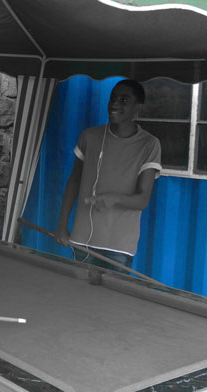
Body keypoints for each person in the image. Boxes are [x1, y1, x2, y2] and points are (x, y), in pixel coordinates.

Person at [54, 79, 161, 273]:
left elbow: (142, 200)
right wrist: (62, 225)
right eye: (112, 98)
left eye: (124, 100)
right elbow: (74, 181)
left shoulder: (149, 144)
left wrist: (112, 199)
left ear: (138, 107)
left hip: (118, 247)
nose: (114, 104)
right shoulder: (90, 136)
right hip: (82, 240)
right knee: (77, 299)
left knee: (111, 302)